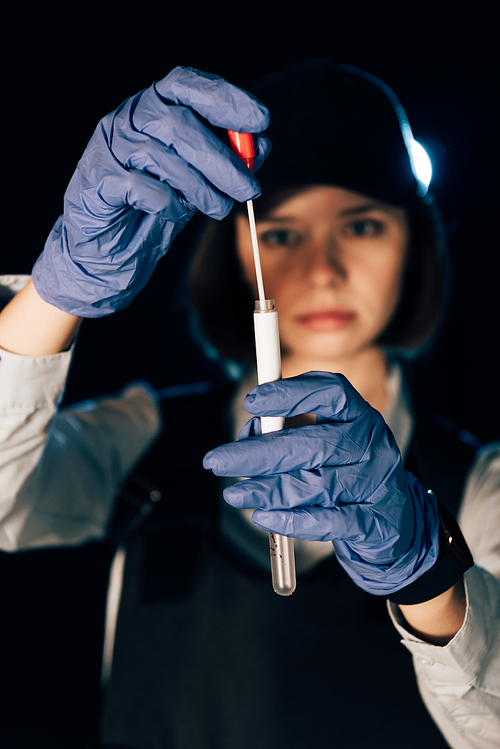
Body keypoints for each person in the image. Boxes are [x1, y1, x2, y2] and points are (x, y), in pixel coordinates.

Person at [0, 62, 498, 749]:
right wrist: (57, 294)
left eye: (361, 226)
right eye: (283, 233)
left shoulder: (479, 486)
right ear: (236, 248)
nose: (322, 269)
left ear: (414, 240)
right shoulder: (149, 440)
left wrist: (430, 577)